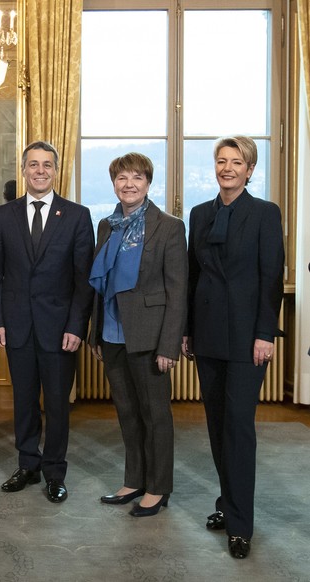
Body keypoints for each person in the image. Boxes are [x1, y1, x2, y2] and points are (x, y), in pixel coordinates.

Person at [183, 136, 284, 559]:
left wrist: (265, 333)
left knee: (239, 429)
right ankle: (228, 504)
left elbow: (271, 277)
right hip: (207, 335)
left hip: (246, 337)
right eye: (221, 161)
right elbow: (192, 276)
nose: (227, 168)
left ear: (250, 169)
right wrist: (187, 331)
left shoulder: (264, 213)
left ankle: (241, 525)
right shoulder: (200, 214)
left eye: (236, 162)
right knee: (217, 425)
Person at [0, 141, 94, 503]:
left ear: (56, 170)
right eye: (33, 164)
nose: (40, 171)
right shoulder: (4, 216)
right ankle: (27, 464)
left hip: (60, 329)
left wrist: (76, 327)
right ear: (24, 169)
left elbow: (84, 280)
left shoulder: (77, 216)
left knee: (58, 404)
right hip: (16, 326)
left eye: (47, 164)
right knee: (24, 400)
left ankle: (54, 471)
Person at [87, 153, 187, 517]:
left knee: (155, 415)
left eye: (137, 178)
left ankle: (158, 488)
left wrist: (169, 345)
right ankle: (134, 479)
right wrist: (96, 333)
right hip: (112, 333)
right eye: (121, 178)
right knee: (127, 412)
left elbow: (177, 291)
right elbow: (102, 284)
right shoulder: (106, 224)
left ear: (148, 183)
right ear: (113, 183)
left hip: (150, 336)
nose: (129, 184)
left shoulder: (169, 226)